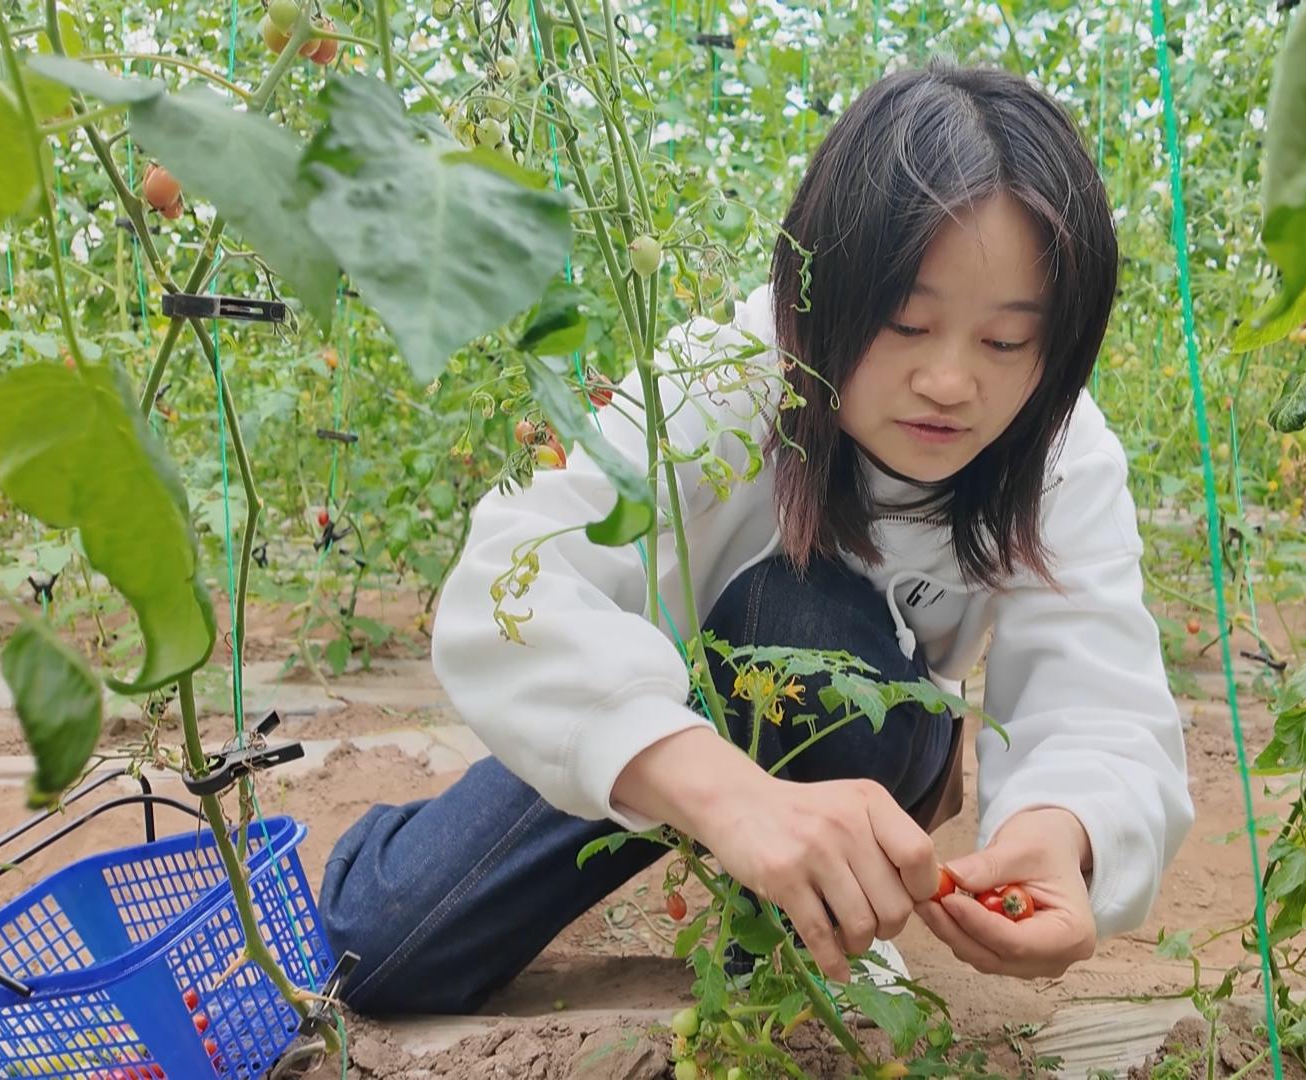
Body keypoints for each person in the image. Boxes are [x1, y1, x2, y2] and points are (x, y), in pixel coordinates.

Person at [319, 61, 1192, 1015]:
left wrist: (1062, 828)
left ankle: (801, 937)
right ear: (823, 294)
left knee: (799, 626)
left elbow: (1097, 687)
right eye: (906, 322)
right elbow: (510, 578)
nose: (949, 380)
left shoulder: (1064, 451)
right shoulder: (725, 375)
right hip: (655, 719)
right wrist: (725, 795)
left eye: (1006, 342)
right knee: (380, 949)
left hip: (879, 734)